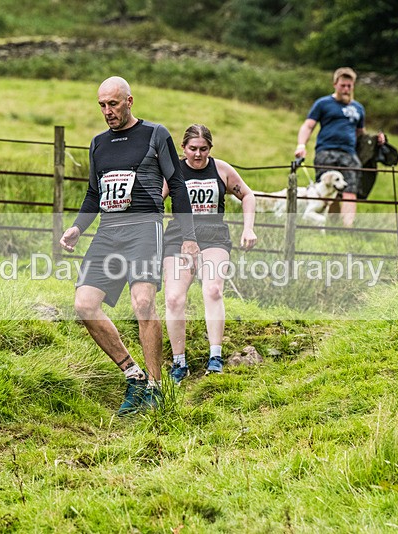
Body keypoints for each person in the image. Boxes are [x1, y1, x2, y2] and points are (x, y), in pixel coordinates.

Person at [59, 76, 200, 416]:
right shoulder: (97, 143)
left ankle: (155, 386)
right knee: (84, 304)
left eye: (113, 104)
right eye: (102, 105)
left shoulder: (155, 134)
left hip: (143, 228)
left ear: (129, 101)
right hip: (108, 231)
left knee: (142, 303)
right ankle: (133, 375)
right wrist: (78, 227)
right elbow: (95, 193)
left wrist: (189, 235)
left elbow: (178, 185)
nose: (108, 111)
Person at [162, 124, 257, 383]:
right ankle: (178, 362)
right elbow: (154, 203)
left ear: (210, 149)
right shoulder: (173, 172)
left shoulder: (221, 170)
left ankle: (215, 357)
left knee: (213, 290)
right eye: (192, 149)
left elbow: (248, 195)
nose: (197, 155)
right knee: (173, 298)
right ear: (183, 148)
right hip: (179, 240)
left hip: (214, 238)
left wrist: (248, 229)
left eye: (203, 149)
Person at [294, 67, 385, 227]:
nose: (346, 89)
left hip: (349, 155)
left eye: (349, 86)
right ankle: (329, 225)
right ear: (335, 84)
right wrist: (301, 145)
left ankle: (347, 228)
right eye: (343, 85)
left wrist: (376, 140)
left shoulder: (358, 109)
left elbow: (361, 135)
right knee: (329, 192)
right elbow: (308, 126)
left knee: (350, 191)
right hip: (326, 152)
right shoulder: (323, 103)